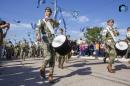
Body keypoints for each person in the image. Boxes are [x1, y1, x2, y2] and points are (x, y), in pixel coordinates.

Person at [35, 7, 59, 82]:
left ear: (51, 13)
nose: (48, 12)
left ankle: (50, 76)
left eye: (49, 11)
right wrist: (38, 35)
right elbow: (37, 28)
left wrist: (53, 20)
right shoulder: (41, 20)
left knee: (52, 59)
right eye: (46, 11)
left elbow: (58, 24)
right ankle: (42, 68)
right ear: (44, 12)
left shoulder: (52, 21)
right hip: (45, 40)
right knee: (48, 56)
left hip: (53, 40)